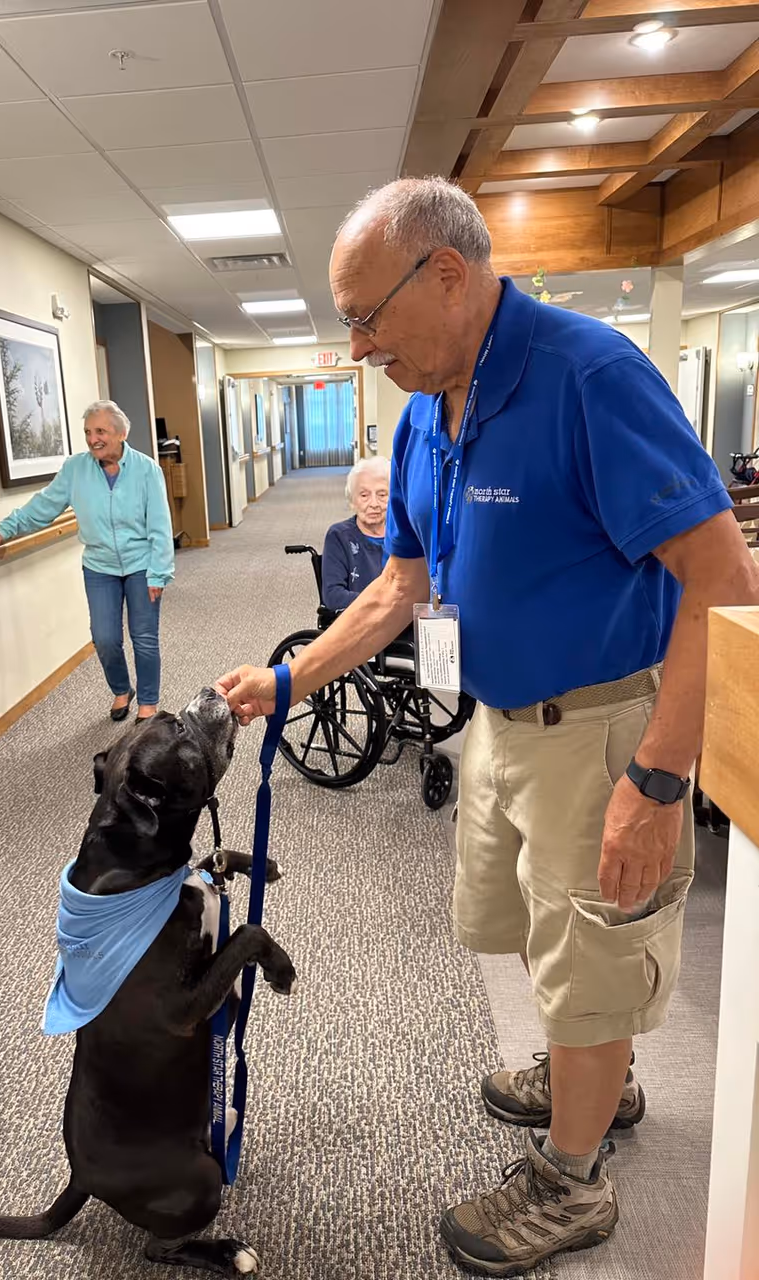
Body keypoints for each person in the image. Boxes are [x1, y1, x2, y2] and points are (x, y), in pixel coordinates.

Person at [217, 178, 759, 1275]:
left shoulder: (589, 375)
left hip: (605, 724)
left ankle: (572, 1179)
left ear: (448, 273)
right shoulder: (428, 406)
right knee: (531, 924)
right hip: (499, 725)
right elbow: (401, 584)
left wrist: (659, 779)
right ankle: (591, 1070)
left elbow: (720, 576)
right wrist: (295, 675)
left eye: (369, 316)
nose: (359, 344)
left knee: (591, 944)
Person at [0, 400, 174, 723]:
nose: (92, 439)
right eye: (88, 432)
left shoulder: (146, 470)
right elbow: (44, 505)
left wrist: (159, 572)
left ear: (121, 433)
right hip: (99, 566)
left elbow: (159, 523)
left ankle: (148, 704)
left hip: (142, 564)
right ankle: (121, 689)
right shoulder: (76, 470)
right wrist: (7, 528)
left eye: (100, 431)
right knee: (104, 637)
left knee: (144, 636)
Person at [322, 457, 391, 613]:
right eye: (364, 495)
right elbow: (333, 596)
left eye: (382, 494)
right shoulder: (339, 536)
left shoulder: (405, 536)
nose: (374, 504)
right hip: (359, 622)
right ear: (352, 501)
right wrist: (382, 603)